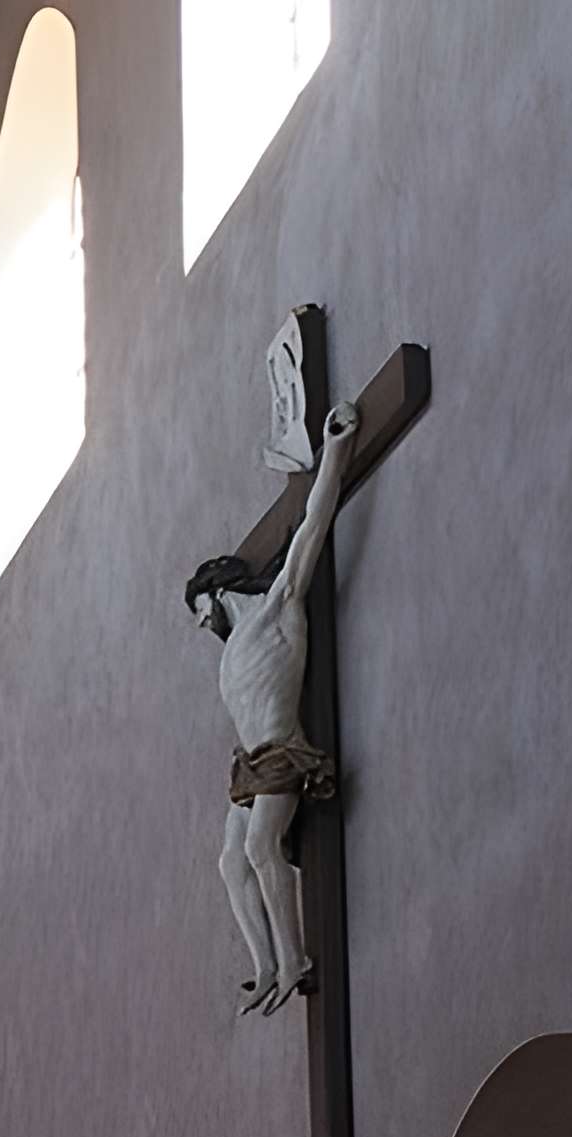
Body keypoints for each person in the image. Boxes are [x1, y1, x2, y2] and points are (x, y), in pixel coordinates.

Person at [185, 396, 361, 1015]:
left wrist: (334, 449)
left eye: (198, 611)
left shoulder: (279, 608)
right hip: (250, 764)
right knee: (230, 861)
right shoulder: (230, 654)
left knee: (263, 850)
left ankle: (294, 960)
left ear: (213, 595)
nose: (200, 623)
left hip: (284, 751)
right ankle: (263, 966)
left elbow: (312, 525)